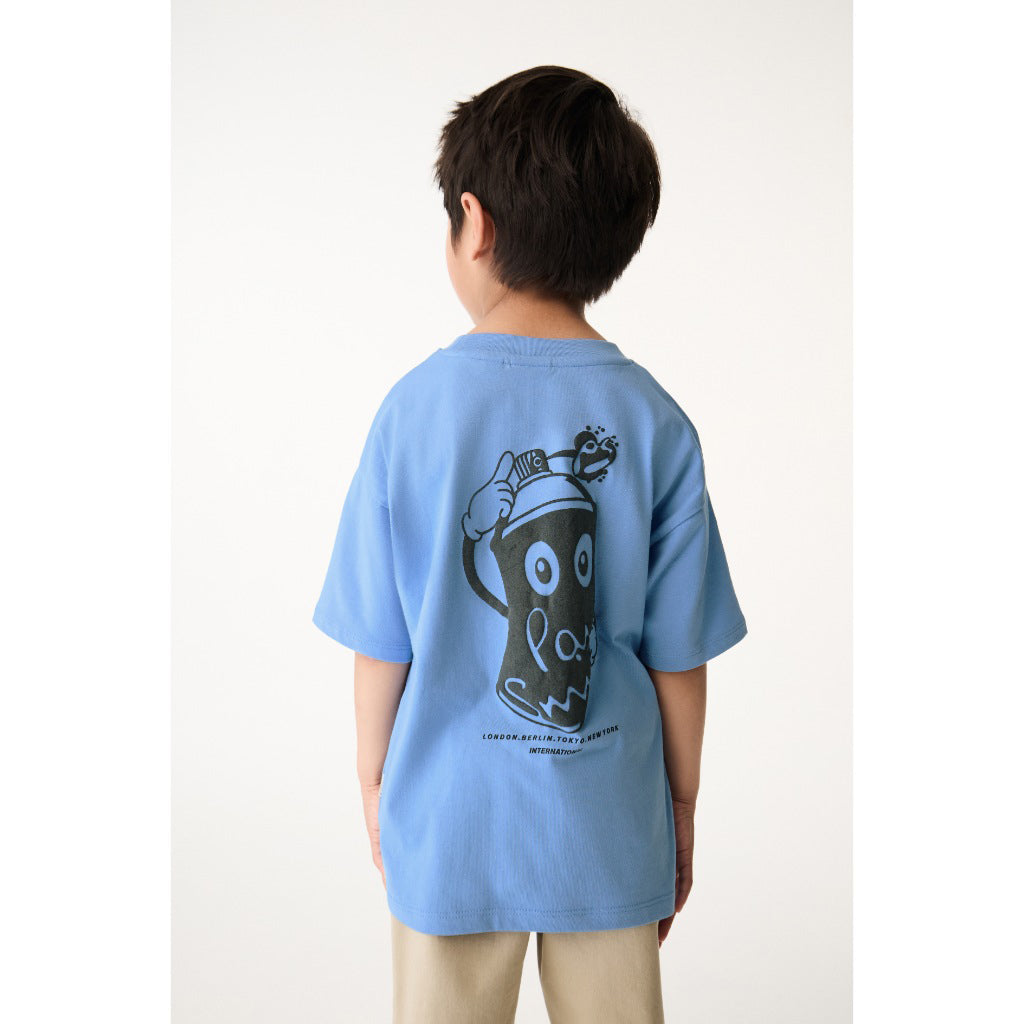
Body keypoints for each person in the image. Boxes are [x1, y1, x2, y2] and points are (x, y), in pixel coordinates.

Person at [313, 65, 747, 1024]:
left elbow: (381, 642)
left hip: (449, 824)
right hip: (608, 826)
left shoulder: (412, 415)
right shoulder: (656, 424)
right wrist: (679, 806)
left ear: (473, 222)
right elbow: (680, 657)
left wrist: (376, 781)